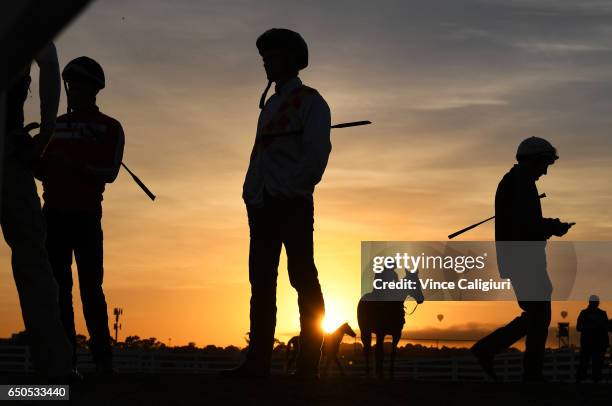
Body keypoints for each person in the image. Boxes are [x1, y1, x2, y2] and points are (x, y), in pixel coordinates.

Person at [230, 28, 331, 379]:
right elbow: (261, 154)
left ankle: (308, 364)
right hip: (261, 204)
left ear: (291, 59)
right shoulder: (270, 105)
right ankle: (257, 361)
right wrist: (251, 191)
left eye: (272, 56)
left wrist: (290, 187)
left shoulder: (312, 101)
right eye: (265, 57)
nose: (266, 62)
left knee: (302, 277)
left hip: (292, 204)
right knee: (261, 283)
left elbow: (317, 155)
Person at [34, 56, 125, 374]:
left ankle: (103, 360)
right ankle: (65, 360)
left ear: (94, 88)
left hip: (87, 217)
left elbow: (110, 172)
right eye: (70, 84)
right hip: (53, 216)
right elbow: (40, 170)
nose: (72, 90)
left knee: (90, 289)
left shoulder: (110, 128)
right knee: (58, 288)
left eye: (78, 84)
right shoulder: (53, 126)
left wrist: (74, 167)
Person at [471, 137, 574, 383]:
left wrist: (547, 226)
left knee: (537, 314)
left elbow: (524, 223)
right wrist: (553, 226)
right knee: (538, 314)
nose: (546, 170)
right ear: (534, 160)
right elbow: (526, 226)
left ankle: (523, 368)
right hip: (524, 260)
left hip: (523, 259)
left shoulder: (517, 182)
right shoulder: (520, 184)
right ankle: (494, 353)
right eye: (545, 164)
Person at [2, 42, 74, 380]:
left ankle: (55, 367)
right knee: (33, 259)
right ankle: (55, 368)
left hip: (12, 151)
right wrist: (44, 135)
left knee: (33, 257)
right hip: (11, 151)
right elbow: (49, 63)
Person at [576, 295, 609, 383]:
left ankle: (588, 380)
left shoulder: (600, 313)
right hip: (590, 344)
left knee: (594, 364)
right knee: (586, 363)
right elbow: (578, 327)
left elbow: (579, 327)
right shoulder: (586, 313)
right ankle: (585, 380)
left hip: (596, 344)